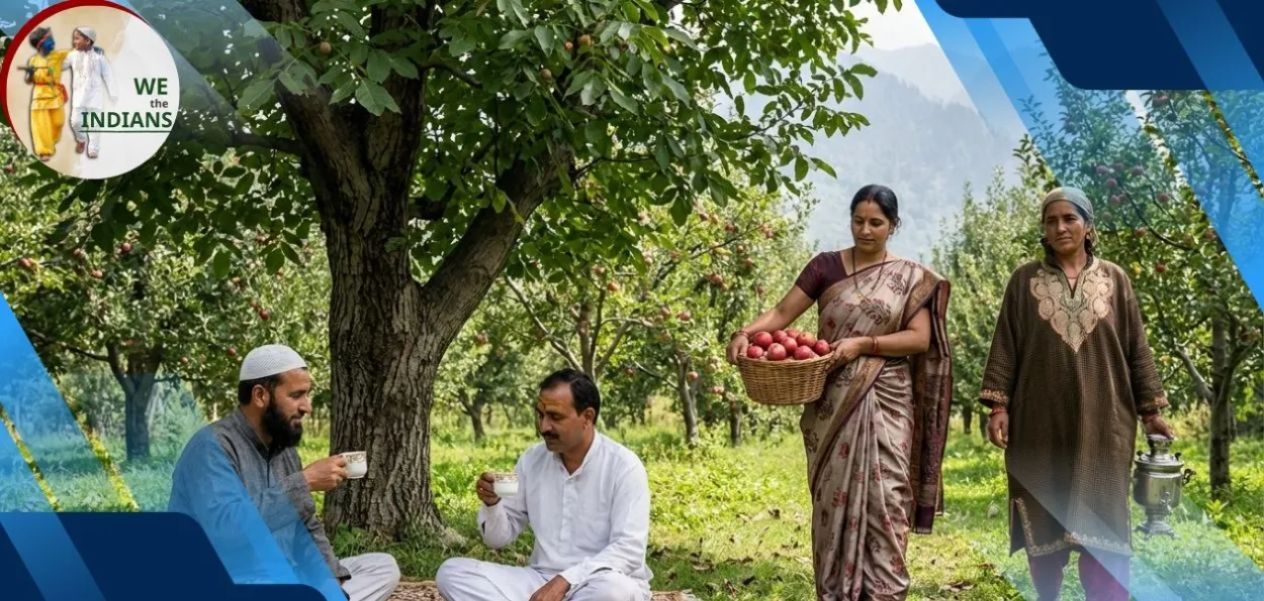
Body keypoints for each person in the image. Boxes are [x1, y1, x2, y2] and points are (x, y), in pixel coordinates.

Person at [726, 185, 953, 601]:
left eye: (876, 223)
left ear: (893, 226)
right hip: (832, 400)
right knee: (834, 502)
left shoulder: (911, 277)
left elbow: (920, 339)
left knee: (887, 498)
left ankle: (884, 593)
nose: (865, 230)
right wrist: (744, 333)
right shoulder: (825, 267)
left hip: (888, 399)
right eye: (858, 221)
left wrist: (865, 345)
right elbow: (780, 313)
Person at [980, 187, 1175, 601]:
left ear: (1089, 227)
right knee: (1044, 511)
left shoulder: (1115, 280)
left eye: (1069, 218)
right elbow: (1006, 345)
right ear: (1044, 232)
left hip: (1105, 424)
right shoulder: (1023, 280)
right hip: (1039, 422)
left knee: (1104, 523)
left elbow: (1136, 347)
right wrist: (999, 405)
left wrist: (1151, 411)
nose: (1060, 227)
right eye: (1051, 221)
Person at [169, 344, 400, 601]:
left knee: (381, 566)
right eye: (296, 395)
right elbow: (225, 530)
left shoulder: (284, 450)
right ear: (260, 395)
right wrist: (305, 481)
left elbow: (306, 526)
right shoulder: (211, 448)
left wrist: (329, 577)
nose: (307, 407)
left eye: (307, 395)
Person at [436, 369, 652, 601]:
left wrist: (566, 579)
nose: (543, 427)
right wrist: (492, 504)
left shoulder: (623, 467)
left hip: (599, 582)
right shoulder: (531, 460)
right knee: (453, 573)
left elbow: (628, 550)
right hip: (540, 581)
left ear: (587, 417)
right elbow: (497, 539)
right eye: (540, 415)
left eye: (555, 417)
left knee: (614, 592)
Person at [63, 26, 116, 159]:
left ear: (88, 40)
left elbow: (108, 75)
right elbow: (61, 65)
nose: (74, 42)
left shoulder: (99, 57)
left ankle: (93, 148)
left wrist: (113, 93)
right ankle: (81, 139)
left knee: (94, 124)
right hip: (79, 96)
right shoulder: (72, 55)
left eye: (77, 39)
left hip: (95, 96)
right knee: (75, 122)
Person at [21, 27, 70, 161]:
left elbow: (75, 53)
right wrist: (30, 74)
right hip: (40, 96)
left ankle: (51, 140)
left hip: (55, 94)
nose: (52, 40)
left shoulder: (58, 55)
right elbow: (27, 80)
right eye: (49, 37)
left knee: (58, 122)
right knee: (41, 124)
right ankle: (44, 151)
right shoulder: (33, 60)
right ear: (41, 43)